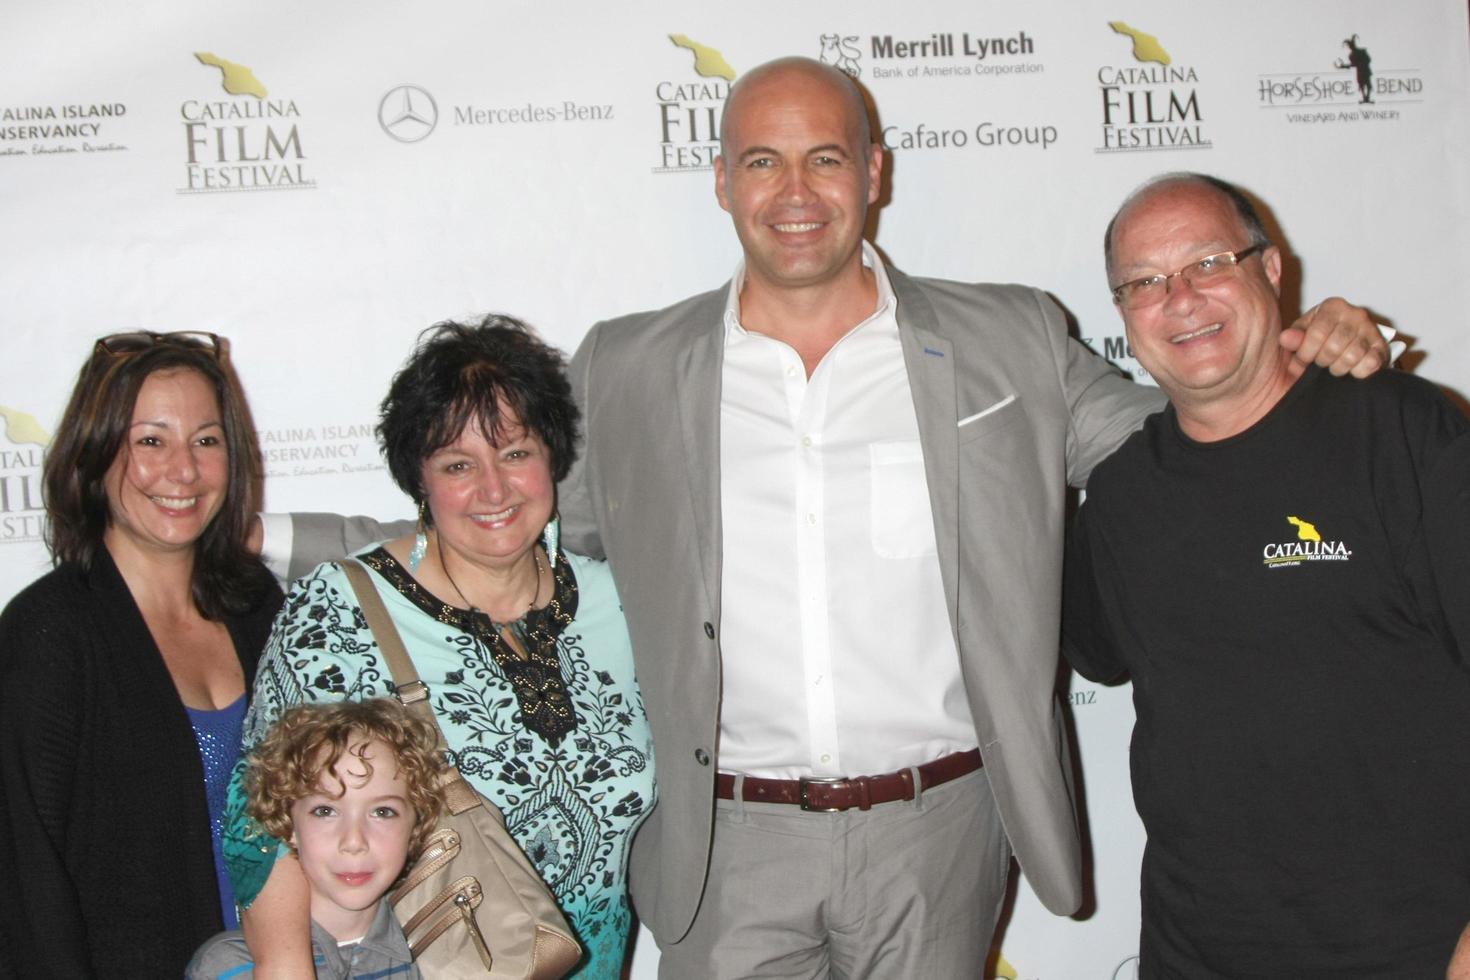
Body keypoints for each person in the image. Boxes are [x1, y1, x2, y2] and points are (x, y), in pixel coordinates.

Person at [273, 58, 1392, 978]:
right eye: (762, 159)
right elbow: (493, 505)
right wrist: (262, 535)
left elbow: (1188, 433)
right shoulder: (632, 362)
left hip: (940, 828)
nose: (795, 190)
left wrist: (1305, 355)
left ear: (874, 172)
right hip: (727, 840)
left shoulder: (1008, 339)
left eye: (824, 156)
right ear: (720, 180)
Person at [1062, 172, 1470, 976]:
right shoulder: (1119, 496)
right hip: (1199, 955)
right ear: (1122, 315)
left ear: (1272, 271)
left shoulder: (1398, 430)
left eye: (1209, 262)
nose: (1180, 298)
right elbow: (1085, 648)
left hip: (1416, 949)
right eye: (1145, 282)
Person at [228, 316, 653, 979]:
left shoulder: (621, 604)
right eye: (459, 464)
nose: (493, 489)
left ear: (554, 456)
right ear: (419, 478)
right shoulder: (341, 611)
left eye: (515, 453)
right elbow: (258, 823)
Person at [0, 331, 282, 977]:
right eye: (150, 441)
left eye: (206, 441)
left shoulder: (256, 604)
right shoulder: (48, 633)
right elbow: (24, 881)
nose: (183, 471)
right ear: (94, 453)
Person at [189, 699, 447, 979]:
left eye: (383, 812)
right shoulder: (231, 967)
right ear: (287, 824)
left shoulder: (439, 952)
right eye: (325, 811)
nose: (353, 841)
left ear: (417, 823)